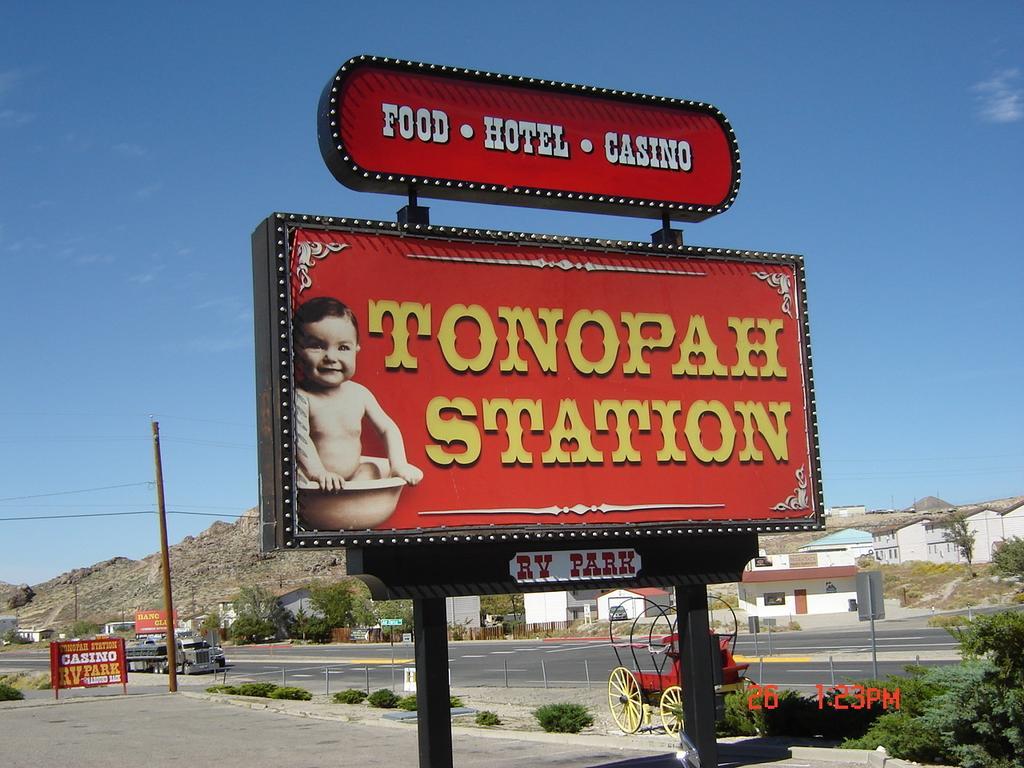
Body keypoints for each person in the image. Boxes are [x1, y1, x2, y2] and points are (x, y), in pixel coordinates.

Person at [293, 296, 423, 492]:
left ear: (356, 350)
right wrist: (318, 473)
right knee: (298, 477)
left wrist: (399, 464)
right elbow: (300, 440)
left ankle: (356, 494)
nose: (330, 357)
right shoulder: (302, 397)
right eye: (317, 346)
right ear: (298, 351)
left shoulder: (359, 394)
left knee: (370, 470)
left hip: (354, 476)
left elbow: (387, 428)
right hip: (317, 481)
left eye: (343, 347)